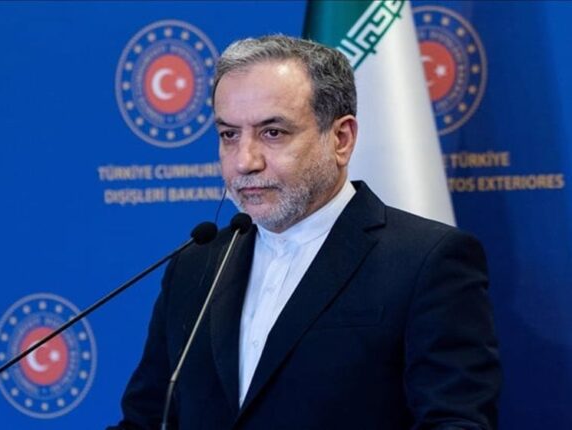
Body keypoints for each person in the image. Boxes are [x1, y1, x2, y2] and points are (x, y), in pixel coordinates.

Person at [109, 35, 501, 429]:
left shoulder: (426, 261)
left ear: (341, 139)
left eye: (272, 133)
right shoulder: (196, 264)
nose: (245, 161)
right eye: (229, 135)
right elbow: (145, 420)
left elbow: (454, 422)